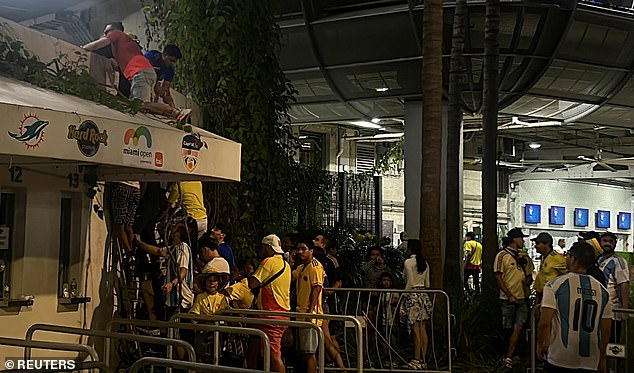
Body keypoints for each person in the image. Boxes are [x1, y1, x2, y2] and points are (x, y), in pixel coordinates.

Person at [82, 22, 191, 121]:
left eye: (107, 31)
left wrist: (82, 49)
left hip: (140, 73)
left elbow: (99, 44)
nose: (106, 34)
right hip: (145, 73)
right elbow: (121, 62)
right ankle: (172, 113)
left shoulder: (116, 34)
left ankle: (176, 111)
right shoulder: (128, 44)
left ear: (114, 30)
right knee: (141, 107)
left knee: (138, 105)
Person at [537, 241, 612, 372]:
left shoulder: (554, 285)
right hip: (590, 360)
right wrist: (602, 358)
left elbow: (544, 322)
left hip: (559, 357)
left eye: (568, 255)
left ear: (573, 259)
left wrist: (540, 345)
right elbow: (605, 329)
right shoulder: (602, 291)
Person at [247, 234, 291, 373]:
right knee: (266, 351)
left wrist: (249, 273)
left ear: (267, 247)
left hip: (271, 314)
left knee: (274, 355)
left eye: (262, 247)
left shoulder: (269, 262)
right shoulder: (286, 264)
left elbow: (253, 283)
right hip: (282, 313)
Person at [494, 228, 534, 369]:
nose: (523, 241)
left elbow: (529, 276)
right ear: (514, 239)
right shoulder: (502, 255)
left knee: (519, 327)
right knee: (508, 328)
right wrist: (509, 294)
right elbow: (498, 276)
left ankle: (511, 355)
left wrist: (528, 279)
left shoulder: (524, 257)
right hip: (507, 299)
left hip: (523, 297)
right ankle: (506, 355)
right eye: (521, 238)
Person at [292, 238, 326, 373]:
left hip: (309, 315)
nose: (300, 252)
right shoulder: (301, 267)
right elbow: (291, 277)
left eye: (303, 249)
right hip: (300, 314)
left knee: (309, 352)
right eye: (298, 249)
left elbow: (316, 289)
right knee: (303, 352)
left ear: (311, 251)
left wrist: (310, 312)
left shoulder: (315, 266)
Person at [400, 239, 433, 370]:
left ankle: (415, 359)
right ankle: (423, 360)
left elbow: (410, 283)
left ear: (410, 249)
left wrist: (403, 295)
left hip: (412, 296)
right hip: (423, 295)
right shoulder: (424, 262)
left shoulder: (408, 262)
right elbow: (428, 284)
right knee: (422, 328)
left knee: (415, 330)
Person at [598, 231, 630, 346]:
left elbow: (624, 285)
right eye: (605, 241)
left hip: (613, 312)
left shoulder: (619, 262)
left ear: (615, 244)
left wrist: (624, 310)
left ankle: (612, 365)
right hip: (599, 311)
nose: (607, 244)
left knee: (612, 346)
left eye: (610, 242)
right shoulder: (599, 260)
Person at [532, 232, 567, 303]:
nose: (535, 246)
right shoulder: (545, 257)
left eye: (538, 243)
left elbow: (569, 275)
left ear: (546, 244)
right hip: (542, 296)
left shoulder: (557, 258)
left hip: (551, 297)